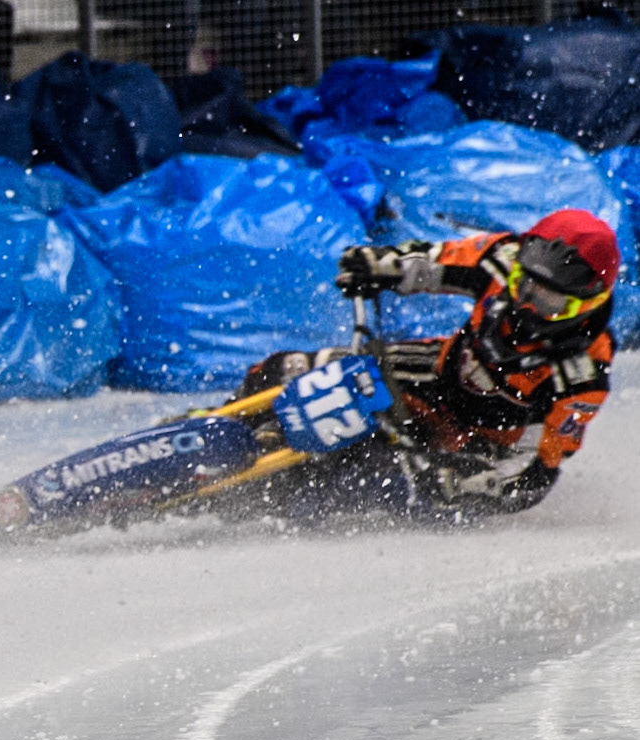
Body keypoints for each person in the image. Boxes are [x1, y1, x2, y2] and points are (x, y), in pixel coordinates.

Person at [233, 208, 620, 521]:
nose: (528, 306)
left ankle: (261, 505)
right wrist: (379, 264)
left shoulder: (581, 376)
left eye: (551, 303)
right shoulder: (501, 259)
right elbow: (433, 261)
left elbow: (539, 470)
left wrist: (471, 483)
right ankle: (218, 423)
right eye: (525, 286)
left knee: (372, 478)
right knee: (289, 368)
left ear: (587, 305)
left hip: (478, 445)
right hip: (436, 375)